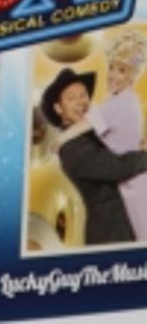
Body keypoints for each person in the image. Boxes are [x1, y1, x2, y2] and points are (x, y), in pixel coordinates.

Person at [42, 66, 147, 248]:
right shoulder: (70, 147)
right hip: (111, 233)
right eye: (71, 98)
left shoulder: (95, 133)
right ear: (58, 108)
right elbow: (118, 168)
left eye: (83, 95)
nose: (81, 102)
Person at [90, 30, 147, 239]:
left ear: (132, 75)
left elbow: (81, 128)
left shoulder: (117, 105)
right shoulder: (129, 101)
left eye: (121, 70)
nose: (113, 75)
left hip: (133, 187)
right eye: (112, 68)